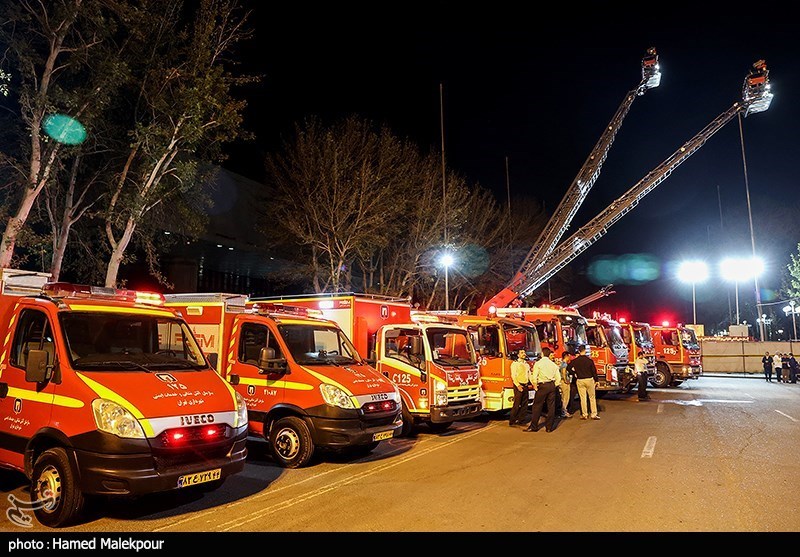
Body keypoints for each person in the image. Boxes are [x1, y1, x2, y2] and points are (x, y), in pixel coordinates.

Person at [525, 346, 561, 433]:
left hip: (543, 385)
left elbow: (535, 376)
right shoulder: (553, 365)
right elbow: (558, 378)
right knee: (551, 407)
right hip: (551, 385)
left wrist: (535, 385)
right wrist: (554, 385)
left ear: (542, 354)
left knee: (537, 406)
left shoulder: (539, 363)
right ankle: (549, 427)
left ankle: (534, 426)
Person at [567, 344, 600, 420]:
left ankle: (584, 414)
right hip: (589, 379)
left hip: (580, 380)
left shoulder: (575, 361)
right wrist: (596, 380)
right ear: (585, 351)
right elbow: (594, 371)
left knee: (582, 398)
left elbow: (568, 368)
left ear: (579, 351)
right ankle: (593, 414)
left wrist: (574, 373)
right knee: (592, 397)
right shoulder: (589, 361)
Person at [508, 349, 531, 426]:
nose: (524, 354)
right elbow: (513, 375)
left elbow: (529, 375)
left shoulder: (526, 364)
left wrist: (533, 383)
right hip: (519, 385)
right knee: (517, 404)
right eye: (521, 353)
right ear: (518, 355)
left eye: (524, 352)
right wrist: (517, 385)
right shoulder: (515, 364)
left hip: (525, 385)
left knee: (525, 404)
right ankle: (512, 421)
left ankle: (521, 420)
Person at [558, 351, 573, 418]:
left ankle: (563, 410)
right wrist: (566, 380)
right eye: (569, 356)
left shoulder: (561, 364)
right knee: (566, 397)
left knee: (563, 397)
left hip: (561, 381)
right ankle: (564, 411)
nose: (569, 357)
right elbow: (563, 373)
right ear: (566, 356)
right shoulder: (564, 365)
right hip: (564, 382)